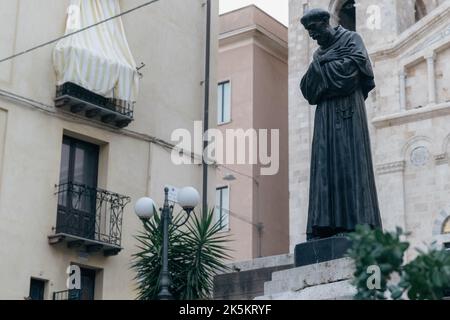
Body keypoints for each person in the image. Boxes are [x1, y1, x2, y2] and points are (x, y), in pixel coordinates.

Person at [300, 8, 382, 240]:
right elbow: (307, 88)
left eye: (316, 31)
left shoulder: (352, 40)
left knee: (350, 165)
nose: (315, 38)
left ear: (326, 22)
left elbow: (352, 73)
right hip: (325, 117)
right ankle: (325, 227)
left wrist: (322, 70)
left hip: (349, 114)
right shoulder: (319, 54)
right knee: (324, 168)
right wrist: (324, 67)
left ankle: (356, 224)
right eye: (311, 35)